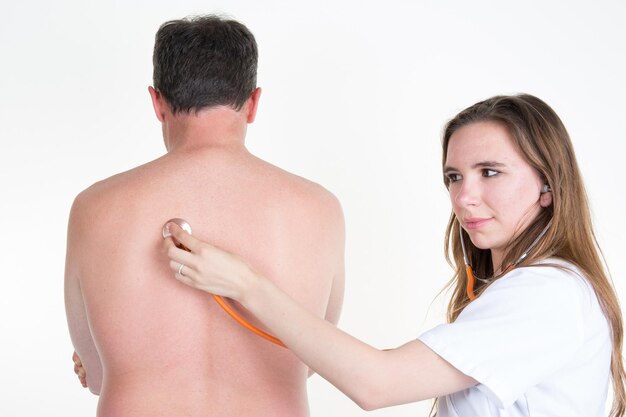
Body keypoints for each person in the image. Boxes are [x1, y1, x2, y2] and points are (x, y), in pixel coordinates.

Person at [164, 93, 626, 417]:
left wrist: (246, 284)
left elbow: (377, 383)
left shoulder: (546, 294)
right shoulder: (532, 290)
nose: (464, 197)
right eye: (453, 177)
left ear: (548, 186)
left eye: (490, 172)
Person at [65, 15, 345, 417]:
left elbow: (94, 374)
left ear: (157, 102)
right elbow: (317, 356)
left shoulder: (94, 207)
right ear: (253, 103)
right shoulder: (320, 208)